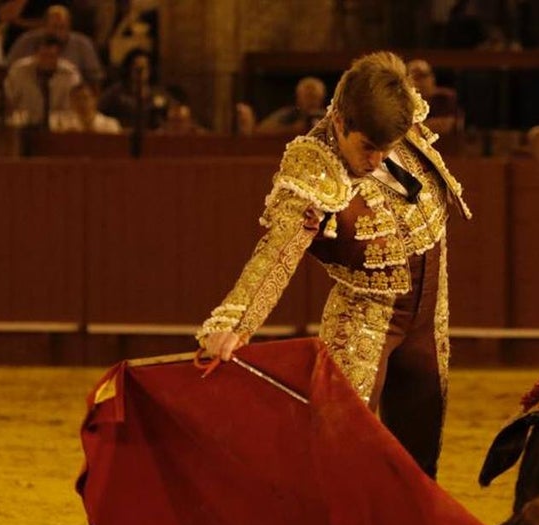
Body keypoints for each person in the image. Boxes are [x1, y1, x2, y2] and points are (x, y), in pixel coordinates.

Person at [198, 51, 471, 479]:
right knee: (338, 450)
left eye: (387, 148)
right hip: (367, 314)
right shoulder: (314, 169)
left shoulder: (396, 120)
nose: (378, 159)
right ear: (341, 123)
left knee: (420, 455)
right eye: (368, 147)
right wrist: (236, 321)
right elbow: (279, 249)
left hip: (431, 310)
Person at [6, 4, 101, 85]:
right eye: (54, 26)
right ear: (44, 26)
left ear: (69, 27)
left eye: (62, 27)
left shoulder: (82, 44)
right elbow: (8, 71)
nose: (57, 32)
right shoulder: (26, 41)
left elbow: (95, 79)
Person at [3, 31, 77, 126]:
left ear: (59, 56)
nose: (46, 61)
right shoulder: (19, 70)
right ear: (35, 54)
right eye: (43, 55)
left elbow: (72, 108)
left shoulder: (70, 74)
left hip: (58, 127)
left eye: (51, 56)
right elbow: (9, 100)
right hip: (24, 126)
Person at [97, 48, 169, 130]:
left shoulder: (158, 94)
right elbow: (99, 114)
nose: (140, 72)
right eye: (136, 68)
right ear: (129, 69)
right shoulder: (115, 94)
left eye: (144, 68)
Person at [236, 76, 328, 137]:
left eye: (314, 97)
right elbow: (261, 130)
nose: (310, 101)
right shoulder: (288, 114)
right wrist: (293, 129)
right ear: (298, 98)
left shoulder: (328, 116)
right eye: (307, 96)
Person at [406, 58, 460, 135]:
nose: (420, 82)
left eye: (424, 76)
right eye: (415, 77)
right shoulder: (403, 102)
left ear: (432, 78)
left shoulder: (446, 97)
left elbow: (452, 125)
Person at [49, 80, 118, 131]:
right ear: (71, 101)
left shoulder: (109, 124)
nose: (81, 102)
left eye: (85, 98)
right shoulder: (60, 123)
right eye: (77, 98)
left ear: (95, 100)